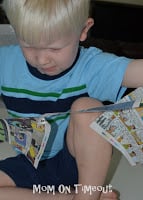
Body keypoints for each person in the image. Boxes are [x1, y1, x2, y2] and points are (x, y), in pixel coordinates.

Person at [0, 0, 143, 199]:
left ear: (84, 30)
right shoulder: (5, 61)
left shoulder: (91, 66)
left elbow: (136, 71)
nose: (42, 59)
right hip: (29, 163)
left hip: (80, 164)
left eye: (55, 49)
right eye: (29, 45)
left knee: (88, 108)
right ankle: (63, 197)